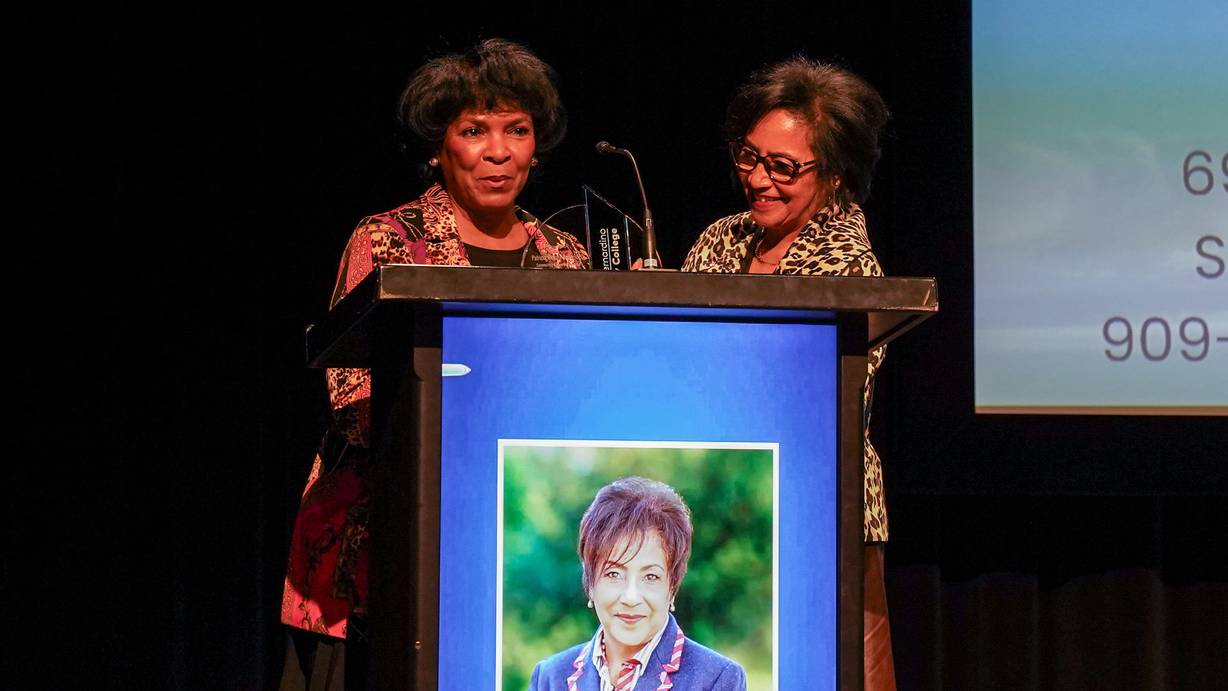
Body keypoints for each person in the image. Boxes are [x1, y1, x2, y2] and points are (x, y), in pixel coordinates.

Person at [280, 39, 589, 691]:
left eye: (517, 130)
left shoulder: (565, 254)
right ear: (436, 148)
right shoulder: (389, 241)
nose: (499, 151)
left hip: (518, 539)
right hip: (381, 543)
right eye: (474, 131)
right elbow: (353, 401)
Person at [680, 58, 896, 689]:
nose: (758, 180)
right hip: (716, 490)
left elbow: (815, 394)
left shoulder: (849, 265)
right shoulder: (721, 239)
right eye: (750, 157)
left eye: (783, 167)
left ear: (833, 174)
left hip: (819, 502)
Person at [530, 477, 747, 691]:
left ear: (672, 587)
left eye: (650, 577)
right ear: (590, 583)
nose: (631, 597)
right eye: (614, 574)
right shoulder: (550, 677)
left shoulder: (717, 679)